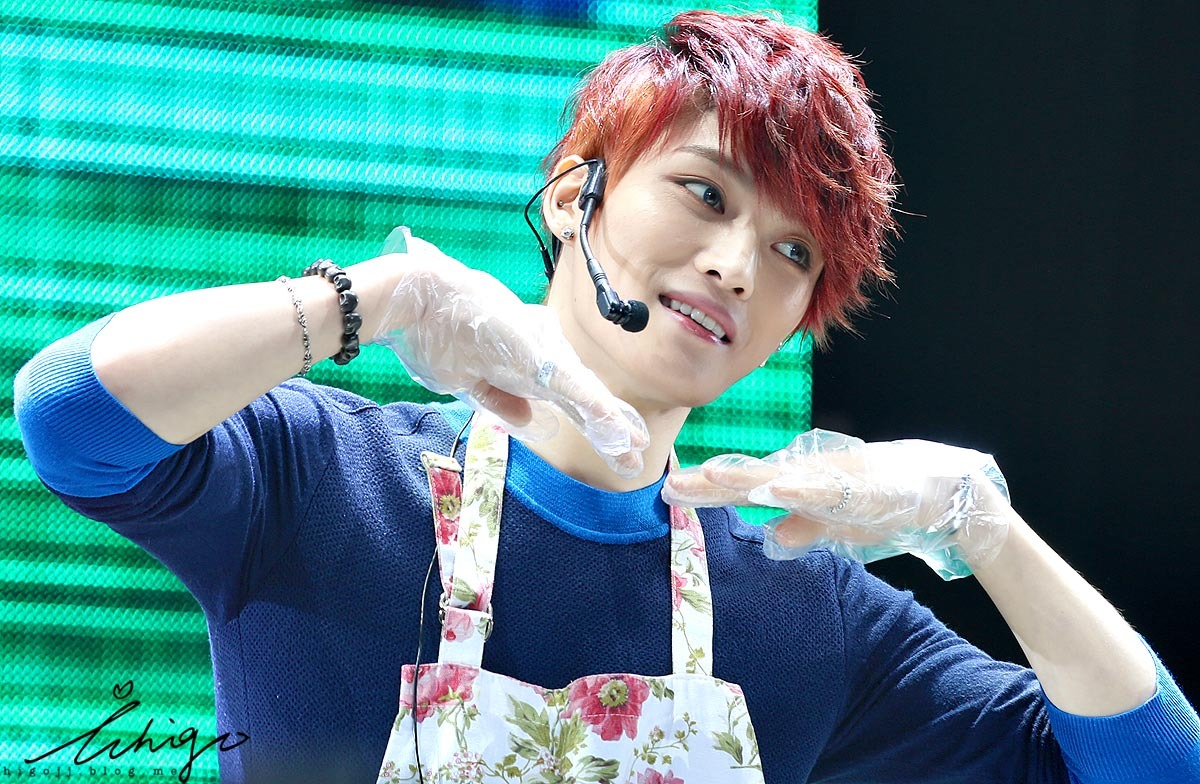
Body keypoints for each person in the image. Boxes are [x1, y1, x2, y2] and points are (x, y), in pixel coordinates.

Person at [12, 9, 1199, 784]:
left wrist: (983, 523)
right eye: (706, 193)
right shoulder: (325, 478)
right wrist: (375, 294)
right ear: (573, 195)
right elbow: (68, 415)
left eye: (792, 252)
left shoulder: (805, 605)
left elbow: (1154, 766)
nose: (737, 265)